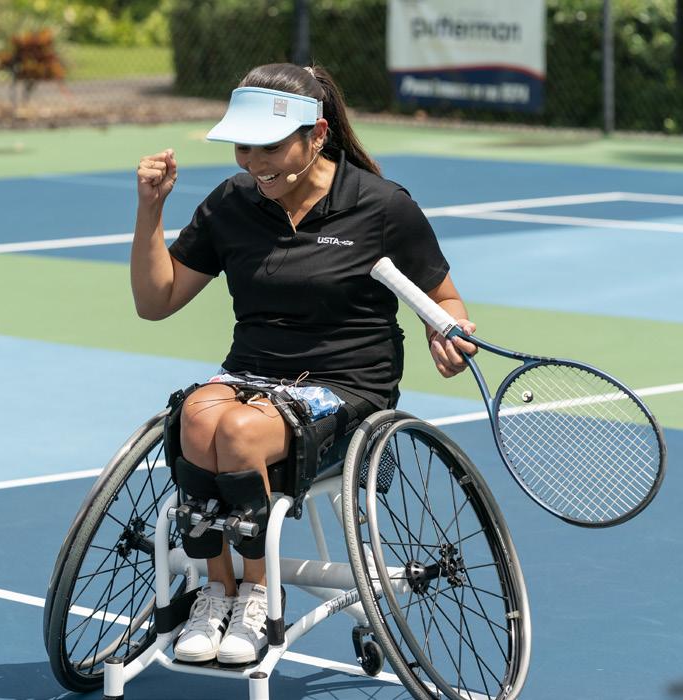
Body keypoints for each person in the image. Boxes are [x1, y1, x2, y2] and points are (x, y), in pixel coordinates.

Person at [132, 62, 477, 665]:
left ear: (317, 135)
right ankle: (218, 591)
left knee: (239, 432)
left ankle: (259, 595)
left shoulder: (382, 206)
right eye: (243, 147)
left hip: (347, 388)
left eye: (268, 147)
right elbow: (155, 302)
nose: (252, 162)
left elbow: (444, 302)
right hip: (250, 376)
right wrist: (150, 211)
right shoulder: (234, 202)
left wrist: (446, 335)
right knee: (196, 417)